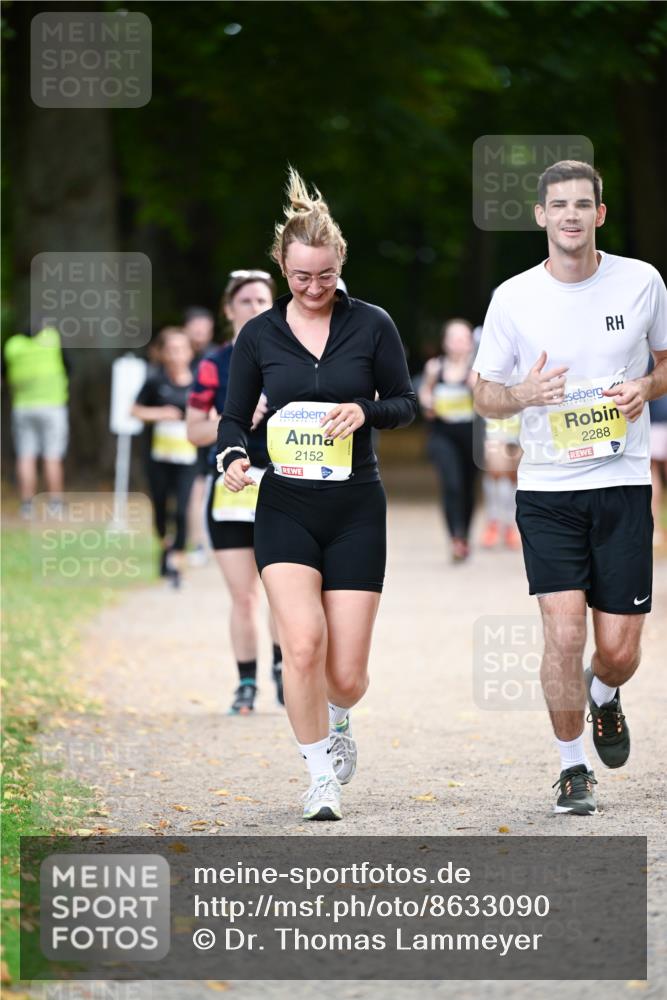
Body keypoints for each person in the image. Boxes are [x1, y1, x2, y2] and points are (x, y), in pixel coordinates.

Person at [217, 168, 417, 820]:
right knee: (300, 645)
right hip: (286, 506)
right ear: (282, 265)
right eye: (300, 277)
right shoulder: (258, 336)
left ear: (339, 266)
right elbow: (232, 417)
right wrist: (233, 456)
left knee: (347, 675)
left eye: (324, 277)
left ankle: (339, 718)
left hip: (356, 505)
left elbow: (405, 404)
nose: (312, 288)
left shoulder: (372, 325)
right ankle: (317, 776)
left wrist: (366, 410)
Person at [473, 159, 667, 816]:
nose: (570, 215)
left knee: (616, 650)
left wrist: (644, 385)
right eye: (558, 205)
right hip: (547, 489)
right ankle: (570, 767)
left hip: (619, 483)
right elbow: (482, 393)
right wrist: (520, 393)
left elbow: (664, 363)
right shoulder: (513, 297)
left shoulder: (640, 282)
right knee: (562, 635)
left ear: (599, 215)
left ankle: (604, 695)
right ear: (540, 215)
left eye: (582, 204)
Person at [186, 271, 285, 714]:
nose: (253, 307)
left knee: (284, 589)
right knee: (244, 595)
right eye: (244, 301)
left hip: (283, 485)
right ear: (228, 310)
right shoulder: (213, 364)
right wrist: (236, 419)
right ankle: (246, 683)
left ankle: (285, 671)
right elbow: (194, 431)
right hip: (230, 486)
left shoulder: (294, 357)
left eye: (262, 299)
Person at [132, 327, 197, 588]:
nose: (176, 355)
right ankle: (165, 546)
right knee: (160, 508)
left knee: (181, 510)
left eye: (181, 349)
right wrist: (160, 414)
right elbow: (135, 410)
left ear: (190, 352)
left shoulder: (199, 382)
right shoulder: (154, 381)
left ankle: (176, 563)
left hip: (189, 458)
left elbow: (215, 411)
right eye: (171, 349)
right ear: (162, 353)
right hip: (158, 457)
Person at [418, 318, 479, 561]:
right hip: (443, 435)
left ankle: (465, 534)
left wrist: (477, 389)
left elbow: (489, 402)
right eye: (454, 338)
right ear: (445, 342)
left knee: (467, 487)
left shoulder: (477, 370)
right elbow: (425, 392)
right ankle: (455, 537)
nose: (459, 343)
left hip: (471, 436)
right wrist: (427, 402)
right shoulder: (435, 367)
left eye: (464, 338)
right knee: (451, 484)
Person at [3, 325, 69, 518]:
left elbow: (4, 374)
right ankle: (55, 504)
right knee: (52, 456)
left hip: (23, 407)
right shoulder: (52, 340)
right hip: (52, 406)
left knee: (25, 456)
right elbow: (67, 367)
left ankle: (27, 505)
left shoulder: (13, 346)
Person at [182, 307, 216, 566]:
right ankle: (196, 543)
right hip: (178, 435)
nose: (200, 333)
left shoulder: (216, 356)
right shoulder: (178, 355)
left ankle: (207, 542)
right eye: (195, 327)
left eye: (204, 327)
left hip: (208, 430)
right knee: (192, 488)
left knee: (203, 485)